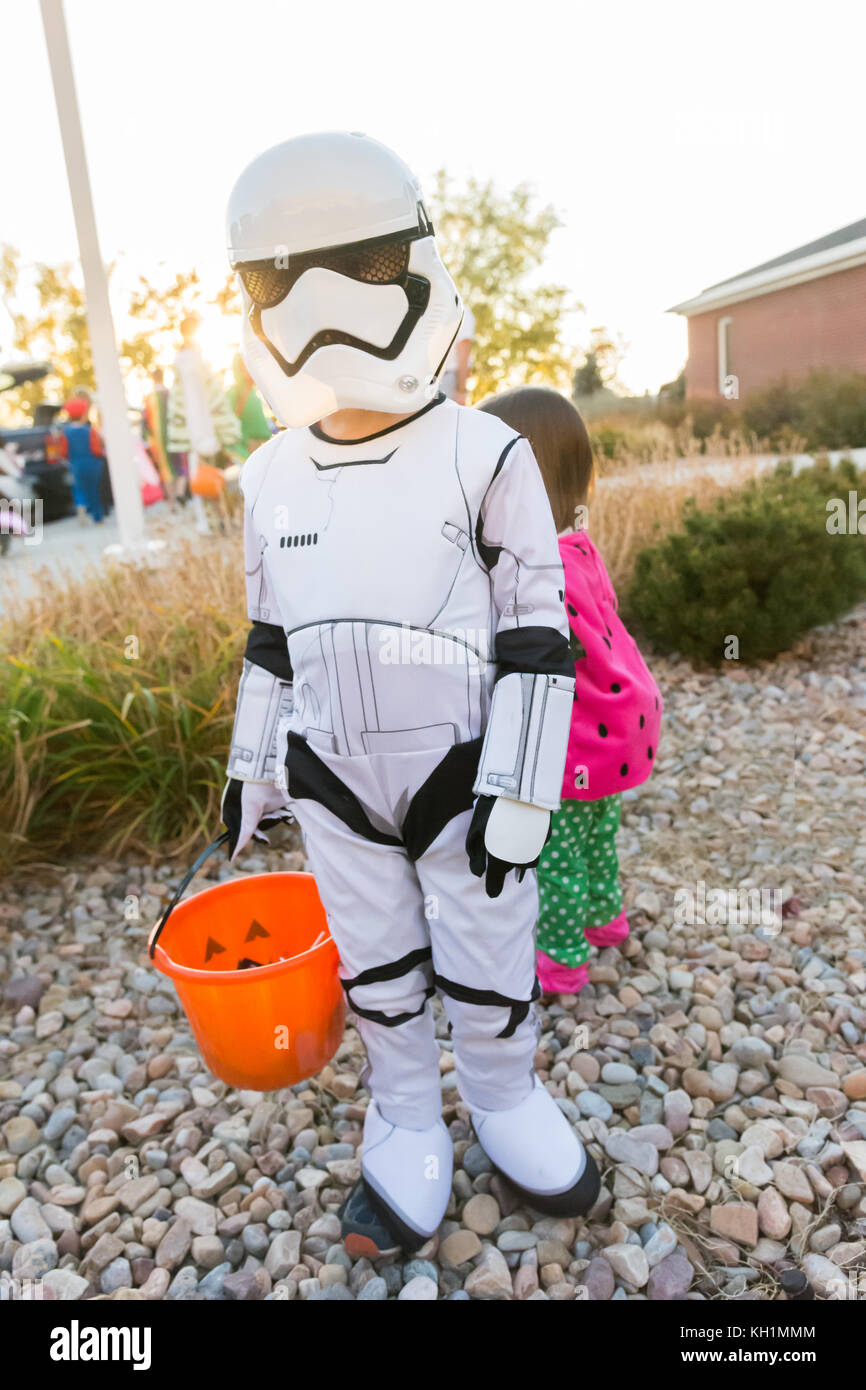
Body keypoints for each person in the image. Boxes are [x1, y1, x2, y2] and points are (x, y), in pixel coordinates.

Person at [220, 131, 601, 1257]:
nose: (325, 306)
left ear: (415, 264)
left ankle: (501, 1094)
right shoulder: (267, 474)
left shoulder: (486, 455)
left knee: (487, 948)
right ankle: (402, 1115)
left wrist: (522, 782)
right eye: (286, 277)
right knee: (374, 963)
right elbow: (268, 637)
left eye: (368, 265)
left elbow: (540, 633)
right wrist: (249, 766)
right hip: (329, 772)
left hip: (465, 762)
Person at [480, 387, 663, 994]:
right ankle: (606, 920)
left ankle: (560, 961)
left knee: (553, 859)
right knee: (598, 835)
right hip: (615, 731)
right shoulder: (578, 547)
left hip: (572, 745)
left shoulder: (536, 568)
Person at [167, 313, 240, 533]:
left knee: (213, 475)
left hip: (205, 427)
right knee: (206, 476)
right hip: (200, 426)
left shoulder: (190, 356)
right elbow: (193, 395)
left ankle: (220, 520)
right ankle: (216, 521)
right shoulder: (188, 358)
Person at [54, 395, 107, 524]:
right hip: (92, 463)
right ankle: (98, 517)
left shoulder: (65, 432)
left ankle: (81, 506)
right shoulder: (89, 430)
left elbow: (63, 451)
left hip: (76, 464)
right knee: (93, 489)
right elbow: (96, 449)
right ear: (84, 414)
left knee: (79, 488)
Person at [226, 353, 272, 461]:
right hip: (245, 447)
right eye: (243, 366)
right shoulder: (234, 393)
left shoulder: (254, 391)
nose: (247, 369)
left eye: (248, 365)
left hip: (262, 444)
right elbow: (231, 421)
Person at [439, 302, 475, 404]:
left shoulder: (436, 310)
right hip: (449, 379)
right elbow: (463, 349)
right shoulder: (463, 312)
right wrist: (461, 390)